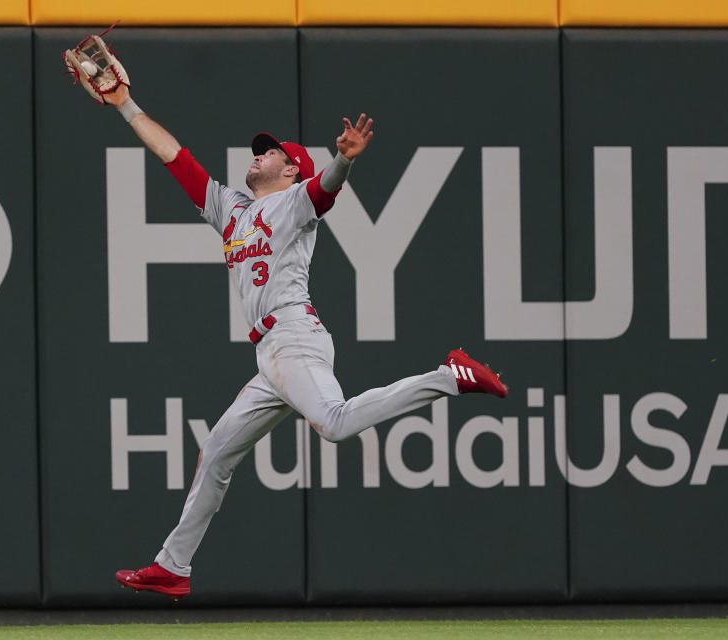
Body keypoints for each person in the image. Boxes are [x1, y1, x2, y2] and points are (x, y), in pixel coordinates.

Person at [98, 82, 509, 600]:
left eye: (270, 152)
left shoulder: (295, 201)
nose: (259, 156)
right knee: (217, 454)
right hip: (270, 356)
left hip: (295, 337)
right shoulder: (231, 209)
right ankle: (173, 566)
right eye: (258, 151)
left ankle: (449, 376)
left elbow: (325, 189)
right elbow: (174, 157)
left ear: (291, 169)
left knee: (334, 424)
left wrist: (342, 161)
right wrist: (125, 106)